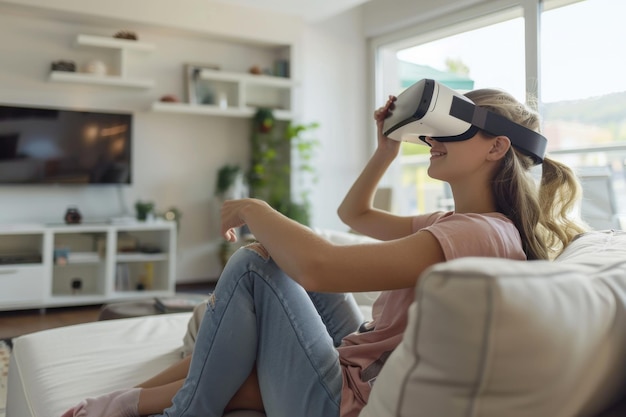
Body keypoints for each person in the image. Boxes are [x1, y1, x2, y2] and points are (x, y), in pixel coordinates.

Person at [61, 86, 587, 417]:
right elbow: (354, 217)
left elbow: (320, 267)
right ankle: (127, 399)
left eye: (455, 129)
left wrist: (257, 210)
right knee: (266, 267)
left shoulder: (481, 234)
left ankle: (171, 408)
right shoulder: (460, 224)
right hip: (360, 363)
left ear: (497, 147)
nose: (432, 140)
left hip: (343, 401)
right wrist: (385, 147)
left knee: (252, 263)